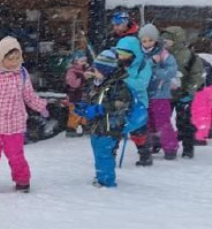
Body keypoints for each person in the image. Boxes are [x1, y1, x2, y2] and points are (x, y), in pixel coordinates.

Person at [0, 37, 49, 194]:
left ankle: (22, 181)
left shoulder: (22, 73)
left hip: (15, 124)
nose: (14, 62)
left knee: (16, 156)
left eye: (17, 58)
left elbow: (29, 95)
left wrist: (41, 107)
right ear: (1, 57)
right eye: (10, 59)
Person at [76, 50, 133, 188]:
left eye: (98, 70)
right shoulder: (95, 83)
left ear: (108, 71)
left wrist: (99, 109)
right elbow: (89, 96)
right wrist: (83, 106)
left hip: (110, 126)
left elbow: (121, 103)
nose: (94, 72)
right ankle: (101, 175)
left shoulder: (118, 85)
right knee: (98, 151)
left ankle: (107, 181)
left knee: (104, 153)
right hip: (96, 126)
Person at [161, 26, 206, 159]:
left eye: (168, 41)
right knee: (162, 120)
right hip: (165, 94)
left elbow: (196, 75)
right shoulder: (161, 54)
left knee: (185, 122)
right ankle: (160, 143)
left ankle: (188, 147)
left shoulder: (189, 56)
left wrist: (190, 91)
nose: (165, 43)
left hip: (184, 94)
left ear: (177, 40)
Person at [139, 24, 179, 160]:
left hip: (160, 94)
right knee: (147, 121)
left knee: (162, 121)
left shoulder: (163, 53)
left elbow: (172, 71)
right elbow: (139, 69)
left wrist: (156, 72)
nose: (147, 43)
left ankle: (170, 147)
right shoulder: (140, 54)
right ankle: (152, 144)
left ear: (155, 39)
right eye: (144, 41)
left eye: (150, 40)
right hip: (144, 93)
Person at [115, 36, 153, 166]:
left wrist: (124, 79)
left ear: (134, 53)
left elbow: (142, 84)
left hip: (138, 102)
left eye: (125, 54)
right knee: (115, 128)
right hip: (120, 101)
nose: (122, 57)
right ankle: (110, 153)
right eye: (119, 54)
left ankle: (145, 154)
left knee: (139, 130)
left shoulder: (143, 64)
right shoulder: (118, 63)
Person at [64, 50, 90, 137]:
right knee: (74, 113)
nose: (83, 63)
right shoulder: (72, 71)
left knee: (85, 112)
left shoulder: (86, 70)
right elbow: (73, 83)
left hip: (85, 96)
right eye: (81, 61)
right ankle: (71, 129)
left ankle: (86, 127)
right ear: (76, 61)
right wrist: (83, 78)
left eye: (85, 61)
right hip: (74, 96)